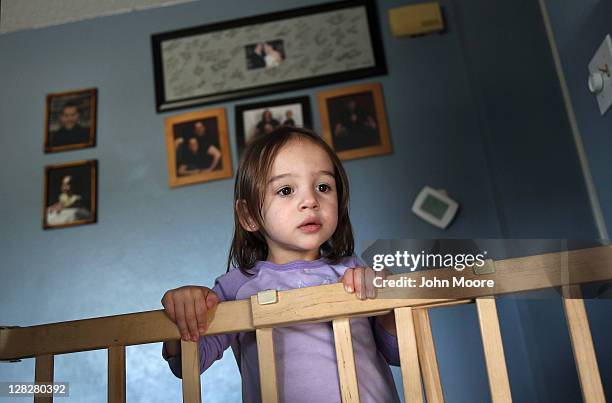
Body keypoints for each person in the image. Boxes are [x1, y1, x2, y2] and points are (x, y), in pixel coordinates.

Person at [161, 127, 401, 403]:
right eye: (286, 190)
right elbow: (188, 365)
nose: (311, 201)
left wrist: (388, 304)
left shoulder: (352, 272)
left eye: (323, 187)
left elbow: (396, 352)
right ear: (249, 215)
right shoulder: (235, 288)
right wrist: (183, 313)